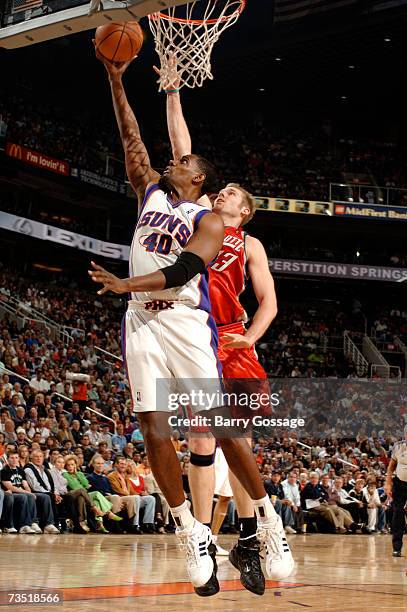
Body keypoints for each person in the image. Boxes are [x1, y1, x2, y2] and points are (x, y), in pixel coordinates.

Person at [92, 48, 293, 597]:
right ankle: (192, 529)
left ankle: (265, 526)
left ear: (200, 180)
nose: (171, 162)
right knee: (159, 429)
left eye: (183, 163)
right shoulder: (151, 190)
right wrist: (118, 78)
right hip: (142, 320)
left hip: (192, 322)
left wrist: (125, 284)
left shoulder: (213, 223)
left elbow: (185, 270)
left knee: (228, 432)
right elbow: (134, 136)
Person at [155, 55, 283, 596]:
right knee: (200, 441)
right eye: (221, 188)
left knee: (241, 444)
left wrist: (249, 336)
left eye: (233, 192)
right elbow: (184, 149)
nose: (224, 191)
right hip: (198, 338)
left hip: (235, 344)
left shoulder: (250, 243)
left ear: (246, 210)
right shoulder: (203, 218)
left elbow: (270, 304)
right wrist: (173, 92)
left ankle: (254, 535)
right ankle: (205, 542)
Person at [63, 455, 120, 533]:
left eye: (72, 464)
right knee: (86, 491)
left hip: (83, 495)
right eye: (68, 465)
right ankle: (103, 511)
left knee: (83, 497)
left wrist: (78, 475)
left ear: (76, 465)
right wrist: (83, 486)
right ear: (66, 466)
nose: (70, 467)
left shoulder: (80, 474)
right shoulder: (65, 474)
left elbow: (86, 485)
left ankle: (82, 522)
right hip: (72, 496)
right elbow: (74, 486)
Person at [108, 456, 155, 534]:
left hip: (130, 498)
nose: (123, 466)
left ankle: (147, 524)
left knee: (150, 498)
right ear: (116, 465)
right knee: (135, 498)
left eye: (124, 464)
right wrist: (132, 495)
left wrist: (141, 494)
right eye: (121, 464)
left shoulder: (126, 477)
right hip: (120, 498)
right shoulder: (112, 476)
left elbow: (132, 491)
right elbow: (117, 490)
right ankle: (135, 525)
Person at [0, 450, 39, 534]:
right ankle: (23, 526)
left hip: (21, 492)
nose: (14, 460)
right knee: (24, 496)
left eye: (16, 458)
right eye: (12, 458)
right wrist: (27, 492)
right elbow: (10, 487)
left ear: (18, 459)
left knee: (31, 496)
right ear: (7, 459)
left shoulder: (21, 470)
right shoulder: (4, 471)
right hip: (12, 493)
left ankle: (33, 523)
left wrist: (29, 492)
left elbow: (25, 485)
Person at [24, 449, 60, 533]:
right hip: (34, 492)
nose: (38, 458)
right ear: (31, 458)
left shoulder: (45, 469)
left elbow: (53, 484)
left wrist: (55, 493)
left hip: (48, 492)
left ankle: (59, 524)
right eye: (36, 457)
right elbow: (35, 486)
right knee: (47, 496)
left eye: (40, 457)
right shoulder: (28, 469)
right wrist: (51, 494)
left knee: (66, 498)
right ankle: (48, 524)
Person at [385, 425, 407, 556]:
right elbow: (391, 467)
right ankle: (397, 547)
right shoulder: (398, 446)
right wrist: (388, 483)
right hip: (399, 484)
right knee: (397, 513)